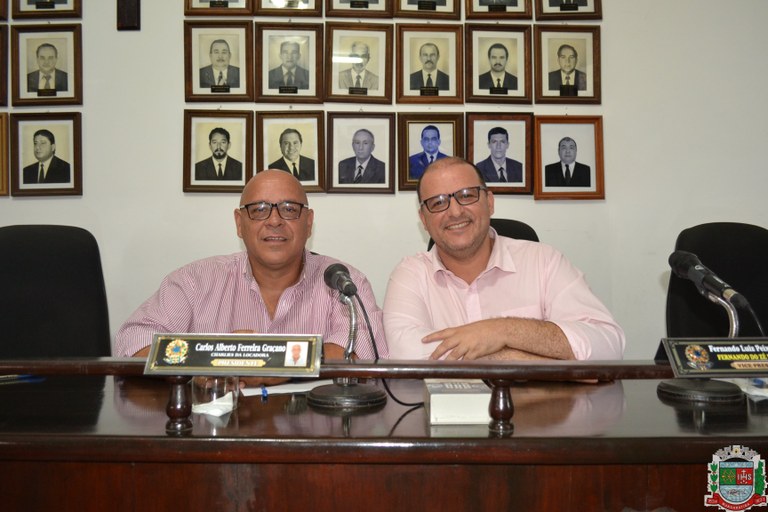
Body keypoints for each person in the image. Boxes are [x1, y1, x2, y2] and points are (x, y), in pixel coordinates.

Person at [115, 170, 388, 380]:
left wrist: (270, 360)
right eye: (259, 210)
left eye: (289, 209)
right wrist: (213, 357)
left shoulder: (342, 282)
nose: (274, 220)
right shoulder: (195, 281)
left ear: (308, 223)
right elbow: (132, 343)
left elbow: (362, 351)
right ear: (239, 223)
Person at [383, 157, 624, 361]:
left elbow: (608, 344)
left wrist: (503, 330)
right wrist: (516, 358)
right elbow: (405, 352)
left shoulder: (544, 261)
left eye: (467, 195)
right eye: (438, 202)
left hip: (542, 404)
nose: (455, 212)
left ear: (489, 202)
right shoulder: (411, 274)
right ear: (424, 220)